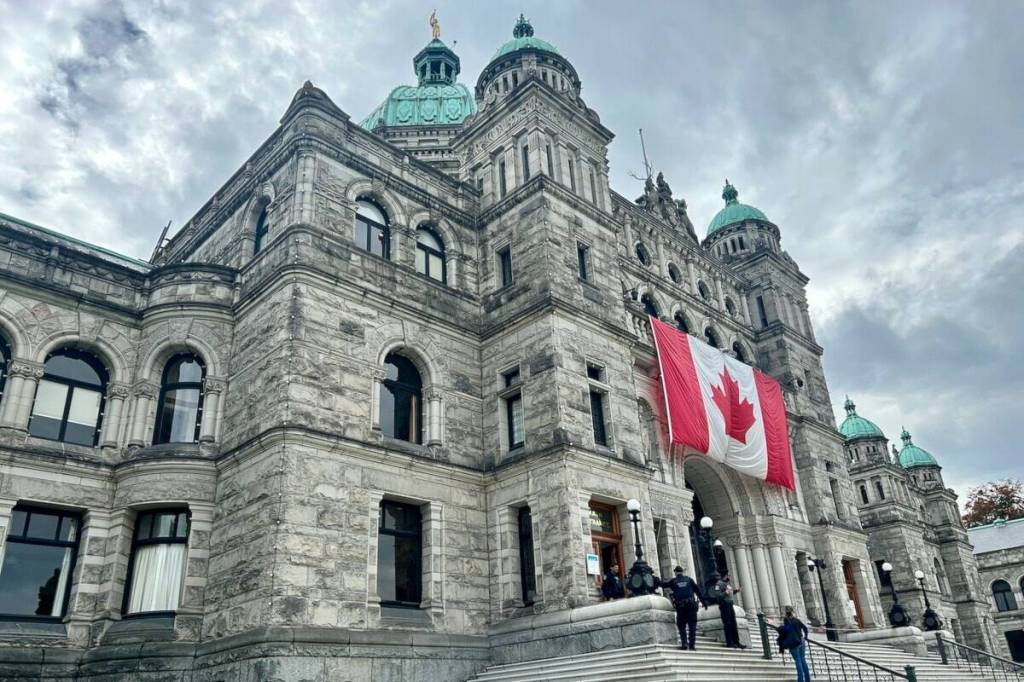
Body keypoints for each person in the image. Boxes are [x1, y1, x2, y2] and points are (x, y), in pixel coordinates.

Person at [658, 565, 706, 650]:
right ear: (682, 572)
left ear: (675, 572)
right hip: (691, 605)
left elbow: (664, 585)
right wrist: (704, 603)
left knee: (681, 625)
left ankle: (684, 643)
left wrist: (656, 581)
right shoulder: (689, 580)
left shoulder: (674, 581)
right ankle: (692, 645)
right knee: (692, 626)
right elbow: (698, 591)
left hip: (681, 606)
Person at [773, 605, 811, 682]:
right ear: (792, 612)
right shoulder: (797, 620)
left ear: (786, 612)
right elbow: (805, 628)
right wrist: (805, 637)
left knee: (798, 660)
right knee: (803, 659)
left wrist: (780, 628)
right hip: (801, 641)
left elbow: (788, 630)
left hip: (794, 642)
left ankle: (800, 680)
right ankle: (807, 679)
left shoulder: (786, 620)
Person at [718, 576, 746, 649]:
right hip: (724, 605)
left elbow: (731, 592)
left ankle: (736, 642)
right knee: (727, 623)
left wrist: (737, 590)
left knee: (733, 623)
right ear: (724, 575)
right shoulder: (719, 584)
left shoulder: (727, 584)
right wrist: (725, 593)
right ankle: (729, 642)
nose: (729, 577)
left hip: (730, 604)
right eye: (727, 575)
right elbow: (717, 596)